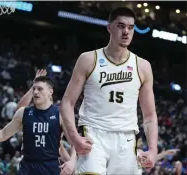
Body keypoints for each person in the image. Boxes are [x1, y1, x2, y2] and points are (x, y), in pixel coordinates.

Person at [60, 7, 158, 174]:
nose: (126, 32)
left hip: (126, 139)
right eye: (121, 26)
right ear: (109, 27)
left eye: (131, 27)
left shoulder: (142, 66)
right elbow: (67, 103)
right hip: (93, 135)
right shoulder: (88, 59)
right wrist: (74, 138)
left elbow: (149, 115)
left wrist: (153, 149)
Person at [0, 75, 76, 175]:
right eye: (34, 89)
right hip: (27, 167)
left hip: (50, 166)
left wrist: (72, 161)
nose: (36, 92)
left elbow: (74, 143)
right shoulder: (23, 113)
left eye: (40, 89)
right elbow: (3, 134)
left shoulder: (60, 114)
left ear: (50, 92)